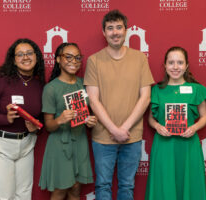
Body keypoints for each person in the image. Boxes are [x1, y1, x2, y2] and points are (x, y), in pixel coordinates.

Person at [84, 10, 154, 200]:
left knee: (127, 186)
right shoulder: (94, 60)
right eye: (110, 28)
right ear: (104, 32)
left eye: (118, 27)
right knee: (103, 185)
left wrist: (124, 128)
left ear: (126, 30)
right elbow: (93, 99)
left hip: (132, 136)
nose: (115, 32)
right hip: (102, 137)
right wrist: (114, 129)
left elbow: (145, 97)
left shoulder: (139, 58)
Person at [0, 38, 45, 200]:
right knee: (3, 196)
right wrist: (6, 118)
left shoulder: (39, 85)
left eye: (29, 53)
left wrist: (36, 128)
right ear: (13, 60)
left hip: (26, 145)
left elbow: (40, 117)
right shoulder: (1, 80)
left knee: (24, 195)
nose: (25, 57)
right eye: (20, 54)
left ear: (36, 57)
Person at [145, 46, 206, 200]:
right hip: (163, 145)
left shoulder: (196, 89)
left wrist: (194, 127)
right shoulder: (156, 90)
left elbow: (205, 117)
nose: (175, 67)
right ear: (165, 65)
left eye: (180, 62)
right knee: (163, 185)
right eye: (171, 62)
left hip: (188, 146)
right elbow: (150, 119)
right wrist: (157, 126)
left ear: (187, 65)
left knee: (188, 184)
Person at [39, 42, 97, 200]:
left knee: (76, 188)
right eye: (68, 57)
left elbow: (88, 113)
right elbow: (49, 127)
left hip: (80, 141)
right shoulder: (50, 88)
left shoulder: (83, 84)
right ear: (58, 59)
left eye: (78, 57)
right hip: (59, 144)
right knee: (60, 189)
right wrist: (60, 119)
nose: (74, 61)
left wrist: (90, 121)